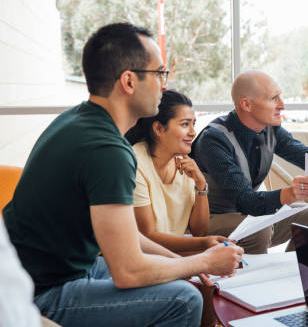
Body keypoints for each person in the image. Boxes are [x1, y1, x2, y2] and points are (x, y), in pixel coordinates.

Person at [2, 23, 243, 327]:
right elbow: (128, 271)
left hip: (61, 269)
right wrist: (203, 261)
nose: (164, 85)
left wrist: (185, 262)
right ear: (129, 81)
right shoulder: (108, 150)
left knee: (182, 279)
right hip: (42, 290)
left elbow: (131, 238)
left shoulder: (77, 119)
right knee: (184, 299)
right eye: (160, 74)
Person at [190, 70, 308, 254]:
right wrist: (289, 194)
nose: (282, 105)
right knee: (258, 228)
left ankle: (294, 273)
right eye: (273, 99)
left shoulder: (271, 130)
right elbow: (246, 201)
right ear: (246, 104)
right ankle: (254, 280)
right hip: (209, 221)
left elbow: (307, 155)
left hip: (247, 214)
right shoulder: (214, 140)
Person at [125, 89, 226, 254]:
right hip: (139, 257)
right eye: (185, 124)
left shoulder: (184, 163)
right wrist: (204, 245)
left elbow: (199, 231)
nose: (193, 132)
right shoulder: (134, 163)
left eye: (193, 124)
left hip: (166, 253)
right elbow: (148, 236)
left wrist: (201, 186)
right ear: (158, 129)